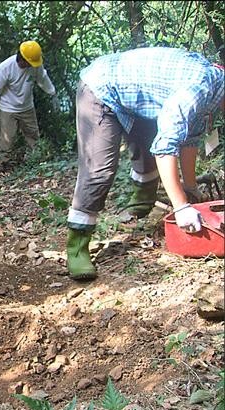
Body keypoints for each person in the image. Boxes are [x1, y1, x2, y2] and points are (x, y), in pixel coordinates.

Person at [66, 47, 224, 280]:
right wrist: (181, 207)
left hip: (135, 98)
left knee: (148, 155)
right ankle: (77, 244)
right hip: (101, 89)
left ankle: (140, 205)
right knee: (99, 171)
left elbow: (190, 138)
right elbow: (166, 144)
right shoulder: (199, 87)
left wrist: (190, 188)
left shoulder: (215, 90)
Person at [0, 40, 57, 172]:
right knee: (8, 137)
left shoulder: (35, 65)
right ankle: (0, 161)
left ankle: (35, 159)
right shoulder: (5, 68)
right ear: (23, 59)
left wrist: (52, 93)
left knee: (33, 135)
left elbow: (42, 78)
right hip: (8, 108)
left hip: (27, 107)